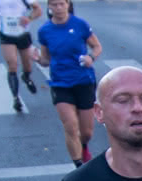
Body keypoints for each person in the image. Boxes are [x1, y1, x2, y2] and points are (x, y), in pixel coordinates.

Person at [35, 0, 96, 164]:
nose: (58, 8)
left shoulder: (80, 25)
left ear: (68, 4)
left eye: (61, 4)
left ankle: (83, 145)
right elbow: (46, 60)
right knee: (70, 126)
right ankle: (78, 166)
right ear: (49, 6)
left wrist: (91, 57)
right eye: (54, 5)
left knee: (87, 132)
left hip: (83, 80)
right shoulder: (45, 31)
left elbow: (97, 47)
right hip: (60, 83)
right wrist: (38, 59)